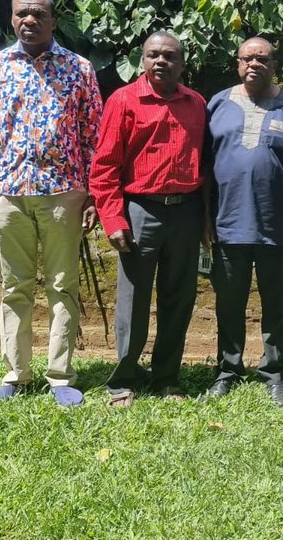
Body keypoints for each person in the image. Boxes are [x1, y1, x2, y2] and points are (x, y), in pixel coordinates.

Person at [0, 0, 103, 408]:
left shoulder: (78, 68)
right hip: (8, 192)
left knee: (62, 285)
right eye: (22, 14)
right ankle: (15, 375)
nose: (30, 20)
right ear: (11, 20)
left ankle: (61, 375)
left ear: (53, 20)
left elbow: (94, 135)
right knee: (15, 286)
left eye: (38, 14)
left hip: (64, 192)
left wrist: (95, 194)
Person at [89, 31, 206, 408]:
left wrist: (205, 217)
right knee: (134, 299)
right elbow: (104, 166)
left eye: (170, 56)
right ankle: (124, 378)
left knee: (180, 296)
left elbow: (206, 163)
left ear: (182, 63)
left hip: (186, 210)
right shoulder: (123, 101)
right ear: (142, 60)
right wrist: (113, 218)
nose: (161, 62)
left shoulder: (196, 104)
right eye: (153, 55)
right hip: (141, 210)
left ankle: (167, 376)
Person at [203, 37, 283, 406]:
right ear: (237, 63)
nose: (254, 64)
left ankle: (276, 373)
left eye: (263, 59)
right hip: (228, 223)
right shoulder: (218, 105)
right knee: (229, 302)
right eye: (248, 58)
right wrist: (205, 218)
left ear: (274, 64)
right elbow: (203, 168)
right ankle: (228, 370)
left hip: (278, 225)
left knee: (276, 303)